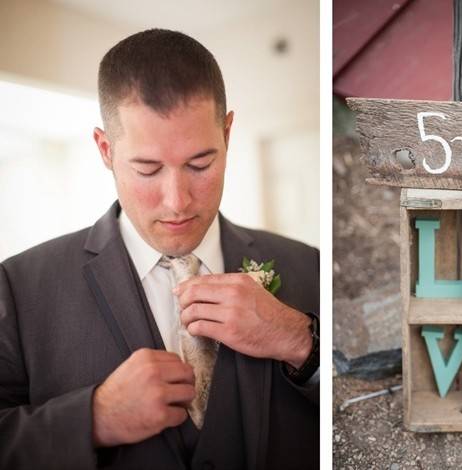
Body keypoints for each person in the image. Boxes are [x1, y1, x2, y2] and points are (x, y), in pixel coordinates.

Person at [0, 29, 319, 470]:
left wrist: (299, 340)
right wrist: (90, 419)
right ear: (106, 150)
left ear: (228, 133)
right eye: (147, 169)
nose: (177, 201)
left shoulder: (310, 265)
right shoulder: (18, 288)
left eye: (200, 164)